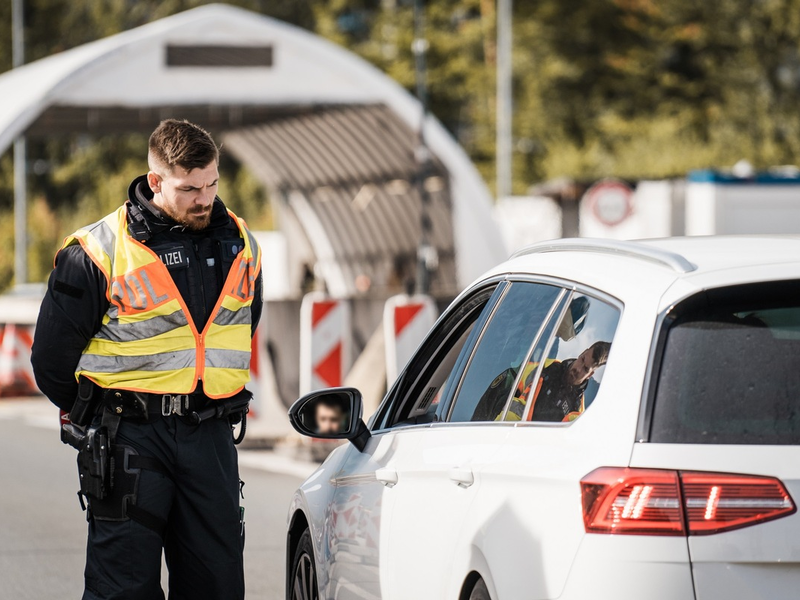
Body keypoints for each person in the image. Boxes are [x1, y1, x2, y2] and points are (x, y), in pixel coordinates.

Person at [31, 119, 262, 600]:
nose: (205, 198)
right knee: (124, 590)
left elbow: (238, 327)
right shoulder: (96, 251)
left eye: (213, 183)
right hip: (129, 438)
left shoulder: (241, 242)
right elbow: (51, 359)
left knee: (216, 586)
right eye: (190, 188)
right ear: (155, 181)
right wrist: (98, 414)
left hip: (211, 437)